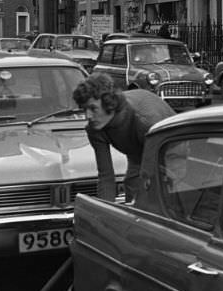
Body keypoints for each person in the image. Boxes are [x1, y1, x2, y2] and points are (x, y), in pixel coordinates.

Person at [73, 73, 175, 202]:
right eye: (84, 109)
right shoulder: (95, 128)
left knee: (160, 195)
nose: (88, 116)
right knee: (132, 187)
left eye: (93, 108)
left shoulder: (144, 121)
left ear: (109, 104)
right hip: (138, 153)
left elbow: (158, 171)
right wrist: (105, 210)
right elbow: (106, 177)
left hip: (174, 149)